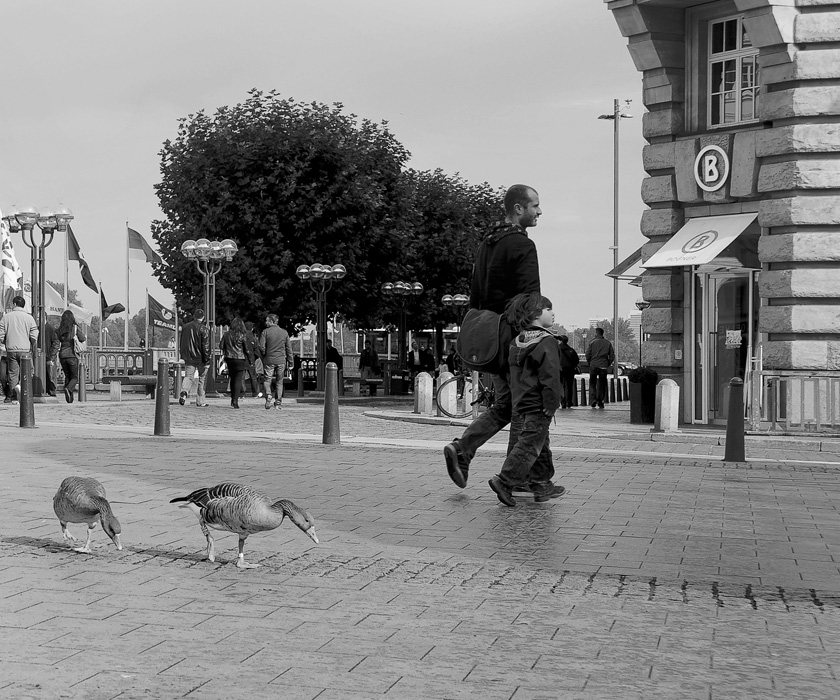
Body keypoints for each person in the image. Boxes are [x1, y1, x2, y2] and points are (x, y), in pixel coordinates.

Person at [443, 184, 542, 489]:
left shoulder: (487, 244)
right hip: (513, 339)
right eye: (535, 206)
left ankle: (464, 451)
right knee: (524, 406)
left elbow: (475, 295)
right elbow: (529, 298)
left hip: (489, 337)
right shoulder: (523, 246)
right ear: (518, 208)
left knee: (507, 404)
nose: (539, 212)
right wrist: (534, 337)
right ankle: (514, 475)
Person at [487, 292, 566, 507]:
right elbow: (550, 376)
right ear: (535, 314)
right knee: (530, 445)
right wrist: (552, 403)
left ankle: (542, 483)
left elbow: (514, 377)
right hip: (539, 404)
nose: (553, 313)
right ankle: (505, 481)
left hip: (522, 401)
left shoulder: (517, 341)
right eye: (548, 309)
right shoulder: (547, 341)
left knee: (540, 441)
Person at [0, 295, 38, 404]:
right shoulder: (29, 318)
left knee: (12, 373)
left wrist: (4, 341)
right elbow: (34, 333)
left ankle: (15, 396)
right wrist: (32, 341)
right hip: (25, 349)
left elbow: (1, 333)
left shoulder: (6, 317)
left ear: (14, 304)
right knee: (28, 371)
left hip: (11, 349)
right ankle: (22, 387)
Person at [260, 314, 293, 410]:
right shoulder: (284, 333)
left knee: (267, 379)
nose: (266, 322)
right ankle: (278, 402)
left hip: (269, 359)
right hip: (281, 360)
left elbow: (262, 347)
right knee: (279, 381)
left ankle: (268, 395)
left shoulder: (265, 332)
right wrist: (291, 362)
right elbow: (288, 348)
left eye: (267, 321)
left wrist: (264, 355)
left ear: (271, 321)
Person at [179, 309, 211, 408]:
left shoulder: (186, 327)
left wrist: (183, 355)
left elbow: (182, 342)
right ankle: (200, 401)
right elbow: (206, 346)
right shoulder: (204, 329)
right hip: (201, 358)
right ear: (203, 317)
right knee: (202, 379)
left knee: (188, 376)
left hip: (189, 357)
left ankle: (184, 391)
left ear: (194, 316)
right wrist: (207, 359)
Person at [220, 317, 253, 409]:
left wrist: (227, 349)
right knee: (238, 379)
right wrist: (250, 361)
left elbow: (221, 345)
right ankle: (235, 400)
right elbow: (247, 350)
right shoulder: (243, 335)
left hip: (229, 358)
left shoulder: (226, 334)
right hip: (240, 358)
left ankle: (232, 398)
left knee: (232, 378)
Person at [57, 309, 86, 404]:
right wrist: (78, 326)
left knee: (67, 376)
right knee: (74, 377)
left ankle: (70, 399)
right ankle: (68, 388)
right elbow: (82, 338)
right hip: (72, 355)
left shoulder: (60, 329)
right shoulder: (74, 328)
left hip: (62, 355)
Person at [586, 327, 615, 409]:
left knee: (592, 383)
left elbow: (587, 354)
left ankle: (593, 399)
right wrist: (607, 363)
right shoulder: (607, 343)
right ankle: (600, 401)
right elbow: (612, 355)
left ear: (596, 333)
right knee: (602, 384)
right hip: (603, 366)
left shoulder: (592, 342)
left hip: (593, 365)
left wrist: (590, 362)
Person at [557, 335, 580, 409]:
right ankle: (569, 402)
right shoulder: (571, 350)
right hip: (569, 370)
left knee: (561, 386)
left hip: (559, 370)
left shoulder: (556, 349)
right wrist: (572, 366)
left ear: (560, 341)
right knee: (569, 386)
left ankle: (562, 402)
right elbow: (576, 360)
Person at [244, 321, 262, 398]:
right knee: (253, 377)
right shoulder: (254, 339)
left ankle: (242, 393)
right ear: (252, 329)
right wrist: (255, 358)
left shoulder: (241, 337)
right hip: (251, 360)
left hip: (242, 359)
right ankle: (255, 393)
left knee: (241, 377)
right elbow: (257, 351)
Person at [43, 320, 60, 397]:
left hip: (48, 356)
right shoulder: (36, 328)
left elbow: (56, 343)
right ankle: (46, 390)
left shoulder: (51, 329)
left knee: (50, 375)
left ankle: (51, 391)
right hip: (41, 356)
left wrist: (51, 357)